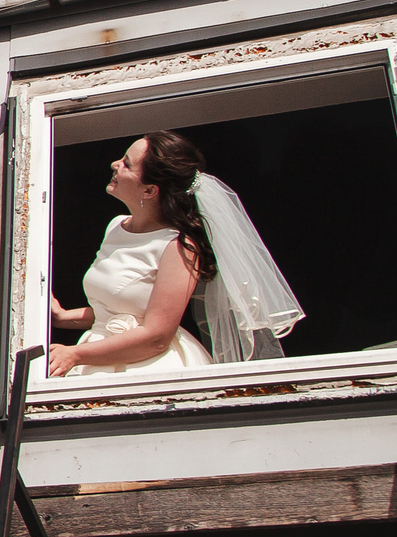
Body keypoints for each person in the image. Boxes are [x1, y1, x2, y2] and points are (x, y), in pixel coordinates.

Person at [47, 129, 302, 376]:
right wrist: (63, 317)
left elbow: (157, 336)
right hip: (97, 357)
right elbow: (117, 311)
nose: (115, 164)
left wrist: (76, 354)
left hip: (149, 367)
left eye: (127, 164)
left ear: (149, 190)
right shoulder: (115, 226)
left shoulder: (179, 246)